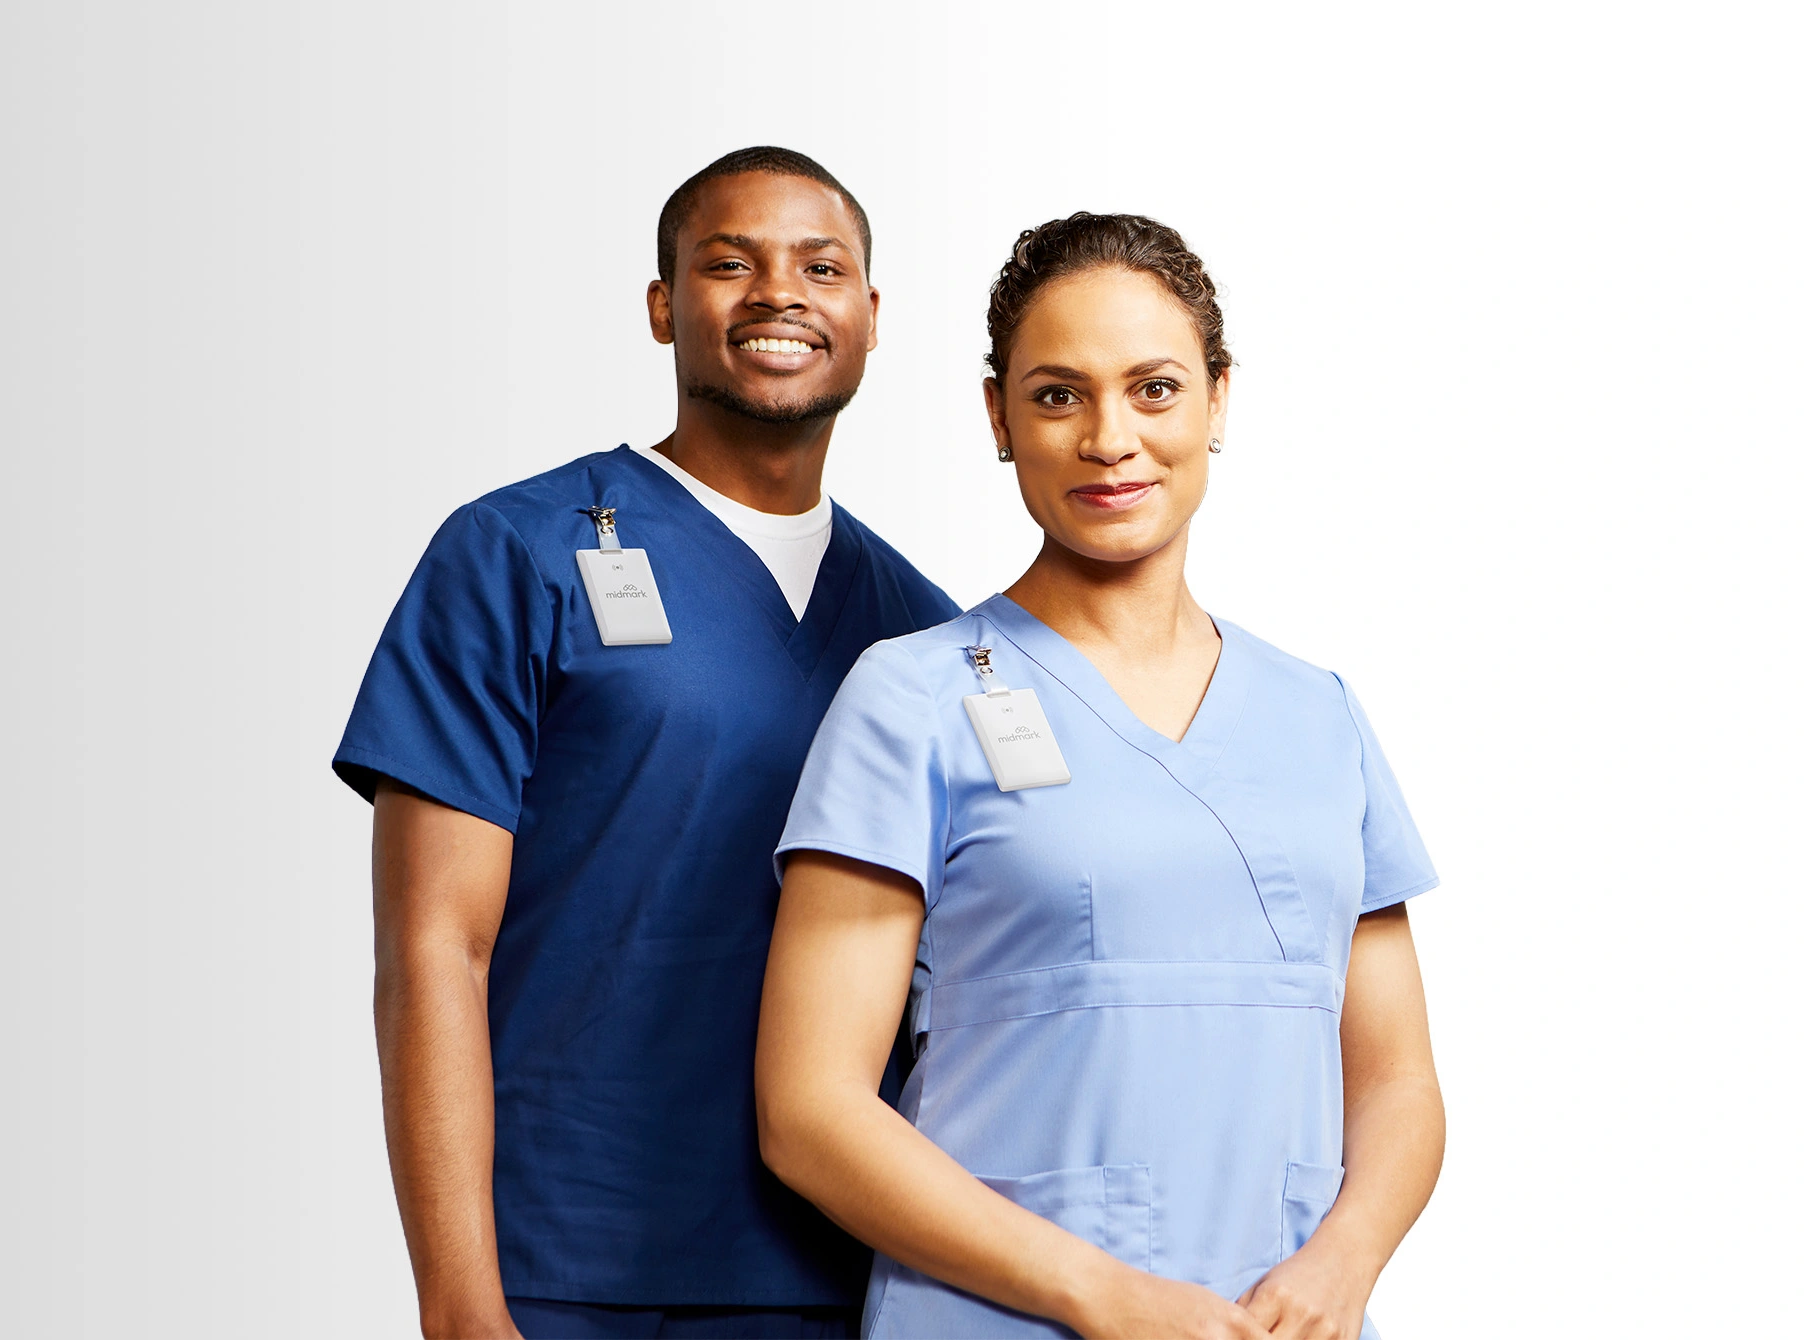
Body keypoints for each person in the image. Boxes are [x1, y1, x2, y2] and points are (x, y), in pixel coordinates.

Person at [755, 213, 1445, 1340]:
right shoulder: (912, 697)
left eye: (1155, 389)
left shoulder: (1319, 714)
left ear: (1220, 400)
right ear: (999, 417)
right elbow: (810, 1109)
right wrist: (1105, 1295)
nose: (1110, 439)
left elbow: (1397, 1081)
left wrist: (1344, 1263)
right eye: (1058, 396)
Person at [333, 147, 960, 1339]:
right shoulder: (516, 554)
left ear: (872, 318)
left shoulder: (925, 630)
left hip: (850, 1272)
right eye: (730, 263)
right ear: (664, 304)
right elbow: (434, 944)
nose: (779, 293)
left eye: (821, 268)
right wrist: (461, 1302)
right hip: (569, 1264)